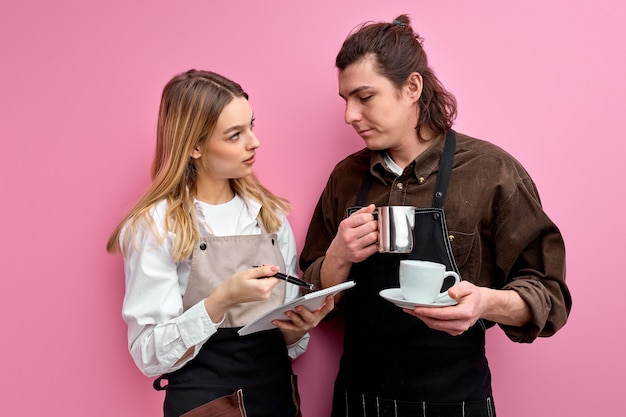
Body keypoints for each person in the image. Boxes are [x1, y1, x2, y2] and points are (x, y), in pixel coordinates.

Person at [299, 14, 572, 417]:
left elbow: (550, 296)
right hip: (357, 400)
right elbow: (305, 300)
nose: (349, 116)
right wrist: (337, 257)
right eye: (345, 100)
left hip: (455, 403)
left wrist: (484, 303)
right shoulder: (345, 178)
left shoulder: (490, 172)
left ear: (411, 87)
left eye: (364, 97)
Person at [107, 69, 334, 417]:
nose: (254, 142)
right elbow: (149, 356)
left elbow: (289, 347)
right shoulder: (156, 225)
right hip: (205, 406)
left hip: (276, 401)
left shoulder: (269, 215)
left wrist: (297, 329)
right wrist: (220, 301)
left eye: (251, 126)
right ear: (195, 146)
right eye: (234, 135)